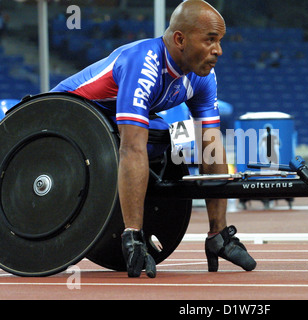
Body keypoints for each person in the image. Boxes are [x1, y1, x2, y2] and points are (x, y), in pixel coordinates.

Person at [51, 0, 256, 278]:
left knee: (170, 139)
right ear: (180, 39)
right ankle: (130, 232)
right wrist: (133, 235)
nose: (218, 50)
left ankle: (218, 236)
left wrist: (217, 228)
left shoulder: (202, 77)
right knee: (142, 140)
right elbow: (132, 148)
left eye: (219, 41)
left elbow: (212, 146)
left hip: (109, 116)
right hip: (67, 117)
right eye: (210, 40)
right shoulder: (144, 62)